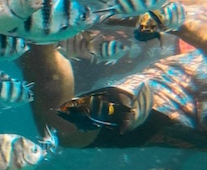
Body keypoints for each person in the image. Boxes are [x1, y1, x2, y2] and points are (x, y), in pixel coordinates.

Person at [20, 14, 207, 151]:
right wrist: (107, 16)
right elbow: (188, 26)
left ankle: (29, 33)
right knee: (64, 128)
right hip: (172, 92)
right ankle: (35, 23)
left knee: (63, 130)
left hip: (182, 129)